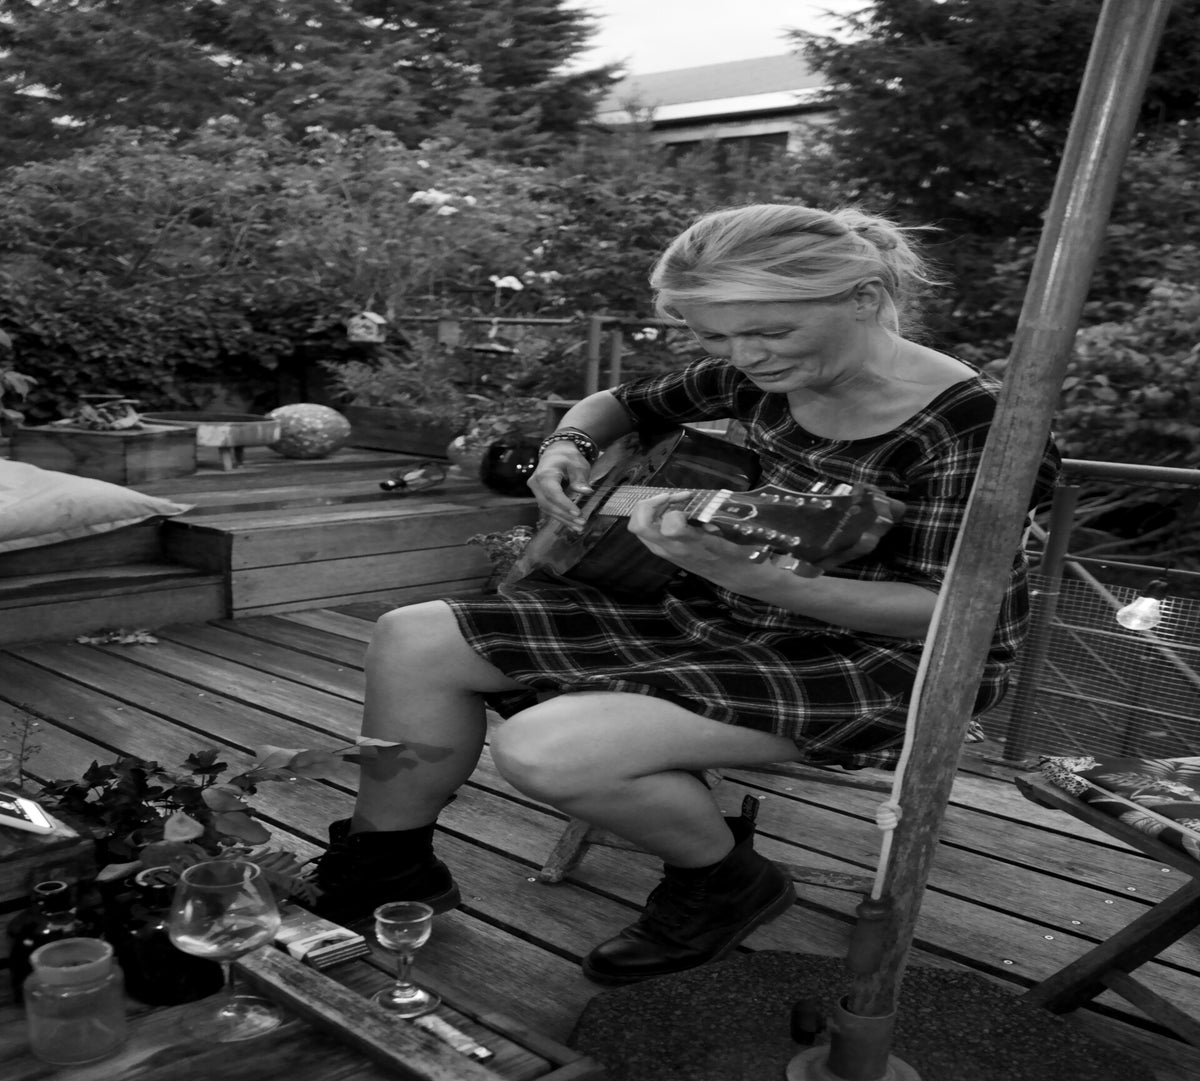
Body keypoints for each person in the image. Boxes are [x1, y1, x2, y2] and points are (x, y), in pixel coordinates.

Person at [311, 203, 1060, 986]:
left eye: (770, 331)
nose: (744, 356)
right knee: (414, 637)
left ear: (864, 298)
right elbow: (621, 405)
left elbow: (950, 615)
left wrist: (746, 575)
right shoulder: (757, 373)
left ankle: (723, 880)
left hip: (887, 661)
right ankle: (386, 866)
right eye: (714, 337)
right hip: (732, 610)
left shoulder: (976, 428)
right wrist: (567, 446)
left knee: (544, 750)